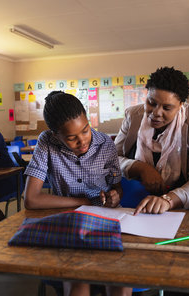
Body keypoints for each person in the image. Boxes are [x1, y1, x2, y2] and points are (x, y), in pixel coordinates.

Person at [24, 91, 130, 296]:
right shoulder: (46, 142)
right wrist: (85, 201)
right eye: (72, 138)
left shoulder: (105, 144)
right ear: (56, 135)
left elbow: (117, 188)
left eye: (85, 130)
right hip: (68, 221)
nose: (82, 141)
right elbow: (31, 199)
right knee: (78, 281)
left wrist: (115, 196)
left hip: (104, 219)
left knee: (119, 278)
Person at [115, 66, 189, 215]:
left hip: (186, 203)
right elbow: (112, 160)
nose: (156, 113)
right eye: (151, 103)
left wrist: (168, 200)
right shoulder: (133, 116)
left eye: (167, 107)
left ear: (180, 106)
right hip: (139, 200)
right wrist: (140, 167)